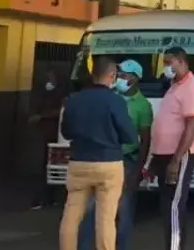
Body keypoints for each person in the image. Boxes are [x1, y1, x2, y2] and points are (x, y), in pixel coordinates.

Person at [58, 57, 137, 250]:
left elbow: (66, 132)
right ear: (111, 76)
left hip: (79, 163)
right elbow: (129, 135)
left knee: (71, 215)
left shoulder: (73, 100)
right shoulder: (116, 101)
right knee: (106, 218)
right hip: (109, 164)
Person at [77, 60, 154, 250]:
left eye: (125, 75)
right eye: (118, 75)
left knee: (123, 211)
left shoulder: (143, 105)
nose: (120, 78)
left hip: (126, 161)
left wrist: (138, 170)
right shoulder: (109, 96)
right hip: (102, 158)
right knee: (90, 208)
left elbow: (145, 140)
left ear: (135, 79)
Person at [148, 48, 194, 250]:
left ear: (181, 62)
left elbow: (192, 125)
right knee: (167, 206)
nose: (165, 67)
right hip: (165, 155)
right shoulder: (174, 87)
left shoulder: (192, 87)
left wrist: (176, 159)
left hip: (179, 156)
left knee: (173, 206)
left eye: (168, 62)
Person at [31, 70, 68, 210]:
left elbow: (61, 110)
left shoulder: (61, 94)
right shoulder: (42, 94)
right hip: (45, 135)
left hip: (55, 136)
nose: (48, 81)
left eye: (51, 78)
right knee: (45, 167)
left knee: (46, 168)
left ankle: (44, 198)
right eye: (46, 78)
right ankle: (47, 198)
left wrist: (42, 116)